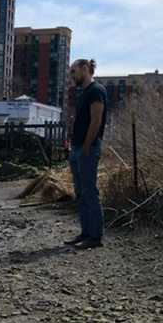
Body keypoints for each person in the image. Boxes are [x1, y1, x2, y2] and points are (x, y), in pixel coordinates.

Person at [65, 59, 107, 250]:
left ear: (84, 69)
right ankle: (85, 232)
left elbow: (96, 121)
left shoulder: (96, 90)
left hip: (87, 149)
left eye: (73, 72)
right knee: (81, 192)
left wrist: (87, 147)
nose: (72, 76)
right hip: (77, 148)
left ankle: (95, 237)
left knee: (90, 192)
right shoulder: (83, 94)